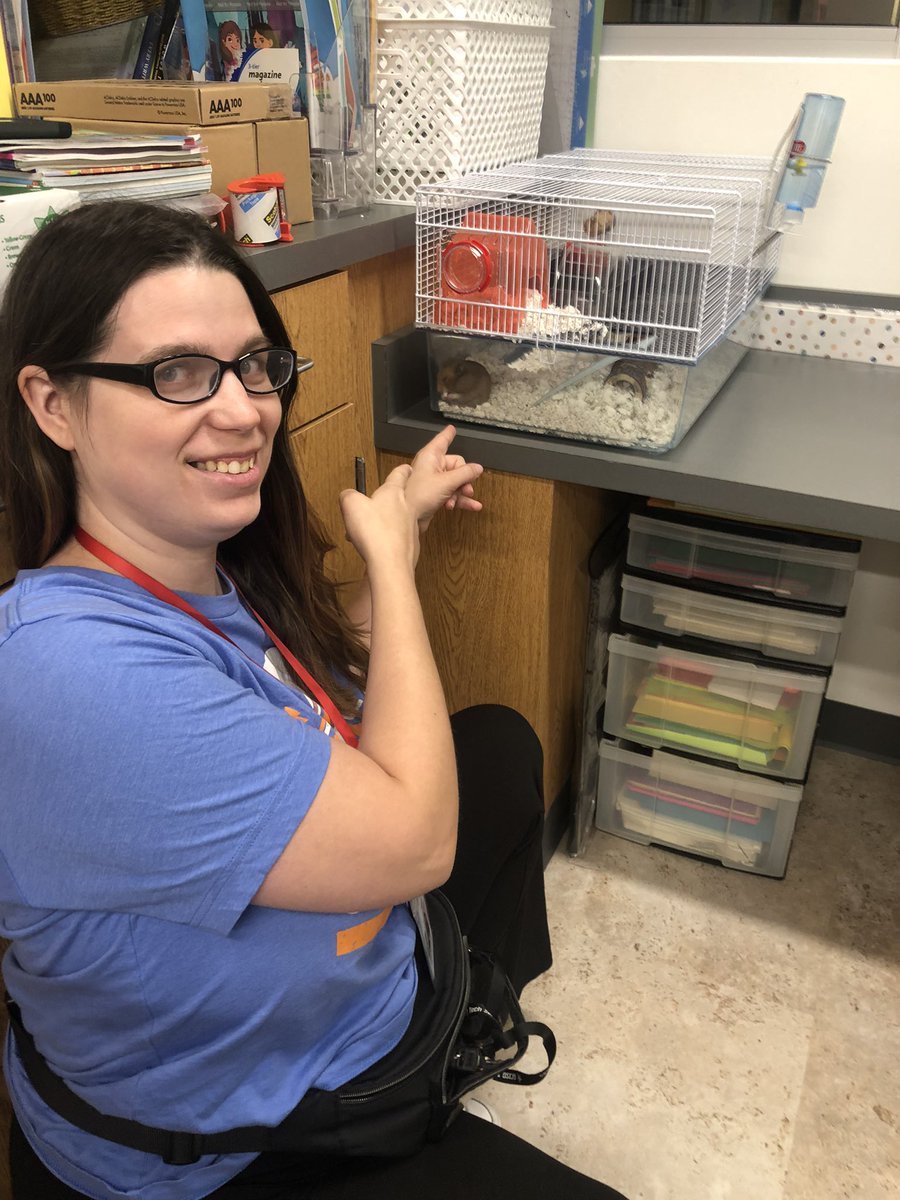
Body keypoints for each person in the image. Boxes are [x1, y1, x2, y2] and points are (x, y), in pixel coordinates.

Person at [0, 201, 628, 1200]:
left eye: (255, 366)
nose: (244, 410)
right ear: (53, 405)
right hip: (233, 1152)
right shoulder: (70, 672)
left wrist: (403, 523)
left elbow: (305, 678)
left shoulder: (195, 566)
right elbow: (418, 841)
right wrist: (390, 559)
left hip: (341, 1040)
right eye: (177, 373)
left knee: (498, 750)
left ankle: (446, 1039)